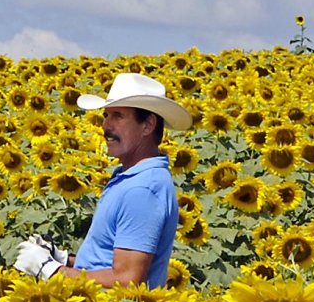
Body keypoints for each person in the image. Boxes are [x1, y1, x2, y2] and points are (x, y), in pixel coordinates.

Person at [13, 72, 191, 288]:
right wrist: (64, 260)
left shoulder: (142, 189)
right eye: (106, 115)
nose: (106, 125)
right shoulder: (131, 178)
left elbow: (127, 279)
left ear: (148, 125)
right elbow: (108, 262)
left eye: (118, 116)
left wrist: (51, 270)